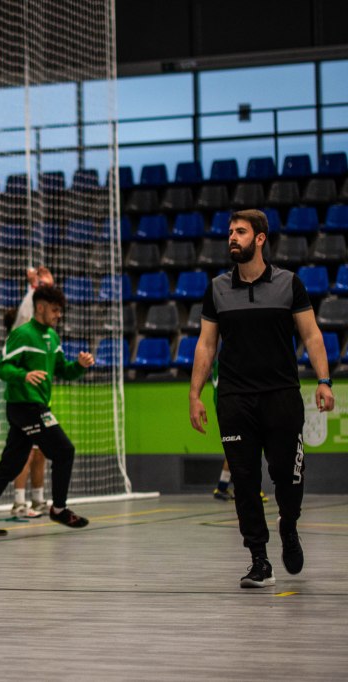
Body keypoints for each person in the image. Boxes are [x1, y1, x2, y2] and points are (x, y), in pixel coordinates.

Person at [189, 208, 334, 589]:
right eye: (230, 232)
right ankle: (259, 559)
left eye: (240, 231)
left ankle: (289, 525)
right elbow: (206, 345)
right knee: (244, 479)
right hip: (235, 398)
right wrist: (195, 394)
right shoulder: (217, 289)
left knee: (288, 475)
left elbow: (312, 335)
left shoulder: (289, 284)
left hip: (281, 396)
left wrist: (324, 381)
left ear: (260, 238)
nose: (232, 238)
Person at [0, 285, 94, 536]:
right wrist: (23, 375)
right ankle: (59, 509)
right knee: (64, 451)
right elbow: (1, 368)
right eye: (55, 310)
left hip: (36, 406)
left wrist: (79, 366)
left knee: (12, 463)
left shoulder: (53, 337)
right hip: (24, 406)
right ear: (41, 307)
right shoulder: (22, 334)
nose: (59, 315)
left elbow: (63, 370)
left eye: (61, 311)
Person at [10, 266, 54, 518]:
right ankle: (19, 502)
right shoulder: (23, 325)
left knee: (41, 450)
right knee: (25, 449)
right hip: (23, 396)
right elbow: (31, 309)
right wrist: (36, 285)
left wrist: (43, 285)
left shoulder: (43, 330)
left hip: (41, 394)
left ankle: (37, 499)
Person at [211, 361, 268, 503]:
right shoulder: (231, 361)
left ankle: (222, 487)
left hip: (225, 407)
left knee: (236, 447)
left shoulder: (220, 362)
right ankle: (250, 489)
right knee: (246, 446)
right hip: (233, 407)